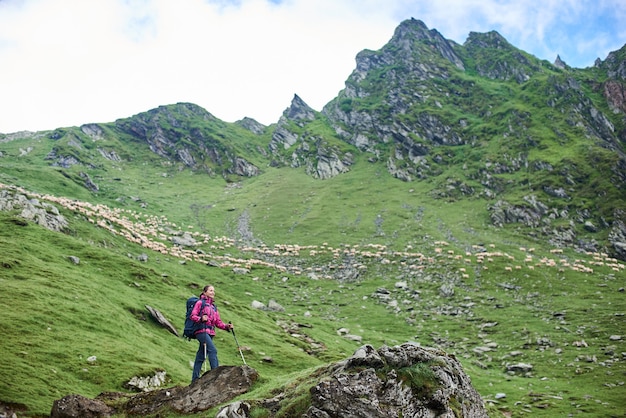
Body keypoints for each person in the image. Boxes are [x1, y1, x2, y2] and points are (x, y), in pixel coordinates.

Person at [190, 285, 233, 383]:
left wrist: (227, 326)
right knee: (212, 350)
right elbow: (193, 316)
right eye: (210, 290)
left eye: (213, 291)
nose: (213, 292)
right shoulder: (200, 303)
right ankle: (216, 374)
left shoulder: (213, 307)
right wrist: (201, 319)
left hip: (210, 333)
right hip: (201, 331)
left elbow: (218, 322)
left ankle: (194, 379)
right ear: (204, 292)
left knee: (201, 356)